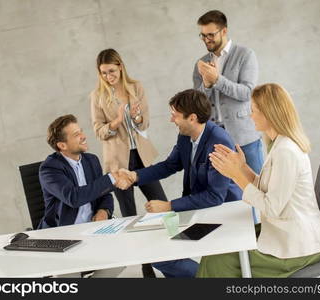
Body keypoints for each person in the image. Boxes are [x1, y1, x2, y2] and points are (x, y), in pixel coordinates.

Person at [197, 83, 320, 277]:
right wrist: (242, 168)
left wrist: (235, 175)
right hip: (284, 234)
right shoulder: (278, 145)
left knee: (217, 260)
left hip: (299, 247)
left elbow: (271, 207)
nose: (250, 115)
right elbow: (267, 190)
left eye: (253, 110)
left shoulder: (286, 151)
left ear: (269, 114)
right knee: (223, 243)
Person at [121, 89, 242, 278]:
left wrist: (169, 206)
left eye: (175, 115)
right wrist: (134, 177)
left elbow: (215, 196)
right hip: (198, 208)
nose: (171, 120)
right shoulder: (185, 135)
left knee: (165, 256)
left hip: (221, 214)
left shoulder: (219, 141)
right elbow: (170, 165)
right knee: (163, 253)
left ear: (192, 118)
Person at [90, 48, 167, 278]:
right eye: (103, 73)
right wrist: (114, 122)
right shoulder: (97, 96)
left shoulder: (136, 88)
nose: (108, 77)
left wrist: (135, 117)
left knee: (163, 207)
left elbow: (144, 125)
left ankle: (170, 260)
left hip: (141, 158)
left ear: (120, 66)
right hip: (118, 164)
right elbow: (98, 131)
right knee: (130, 217)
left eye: (111, 71)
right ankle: (146, 268)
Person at [193, 10, 263, 175]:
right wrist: (207, 84)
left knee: (257, 188)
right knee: (226, 195)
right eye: (202, 35)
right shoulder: (201, 63)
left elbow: (247, 93)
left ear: (224, 31)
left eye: (210, 34)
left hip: (244, 137)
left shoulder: (245, 55)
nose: (206, 39)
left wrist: (217, 80)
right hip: (215, 139)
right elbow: (197, 103)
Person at [38, 114, 129, 229]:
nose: (83, 136)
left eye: (81, 131)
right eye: (76, 135)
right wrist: (111, 178)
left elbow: (104, 193)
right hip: (64, 232)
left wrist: (103, 212)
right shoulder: (49, 169)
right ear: (62, 145)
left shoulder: (91, 160)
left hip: (93, 227)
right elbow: (74, 198)